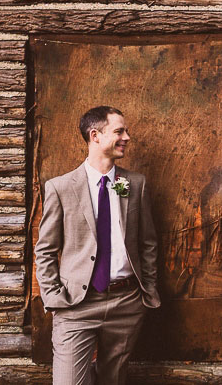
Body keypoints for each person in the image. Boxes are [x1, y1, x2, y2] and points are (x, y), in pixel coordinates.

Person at [35, 106, 160, 385]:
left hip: (126, 303)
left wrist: (146, 290)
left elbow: (148, 243)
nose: (127, 137)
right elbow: (44, 250)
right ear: (95, 135)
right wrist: (55, 297)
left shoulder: (135, 184)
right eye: (119, 131)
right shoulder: (61, 187)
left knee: (113, 380)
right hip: (76, 305)